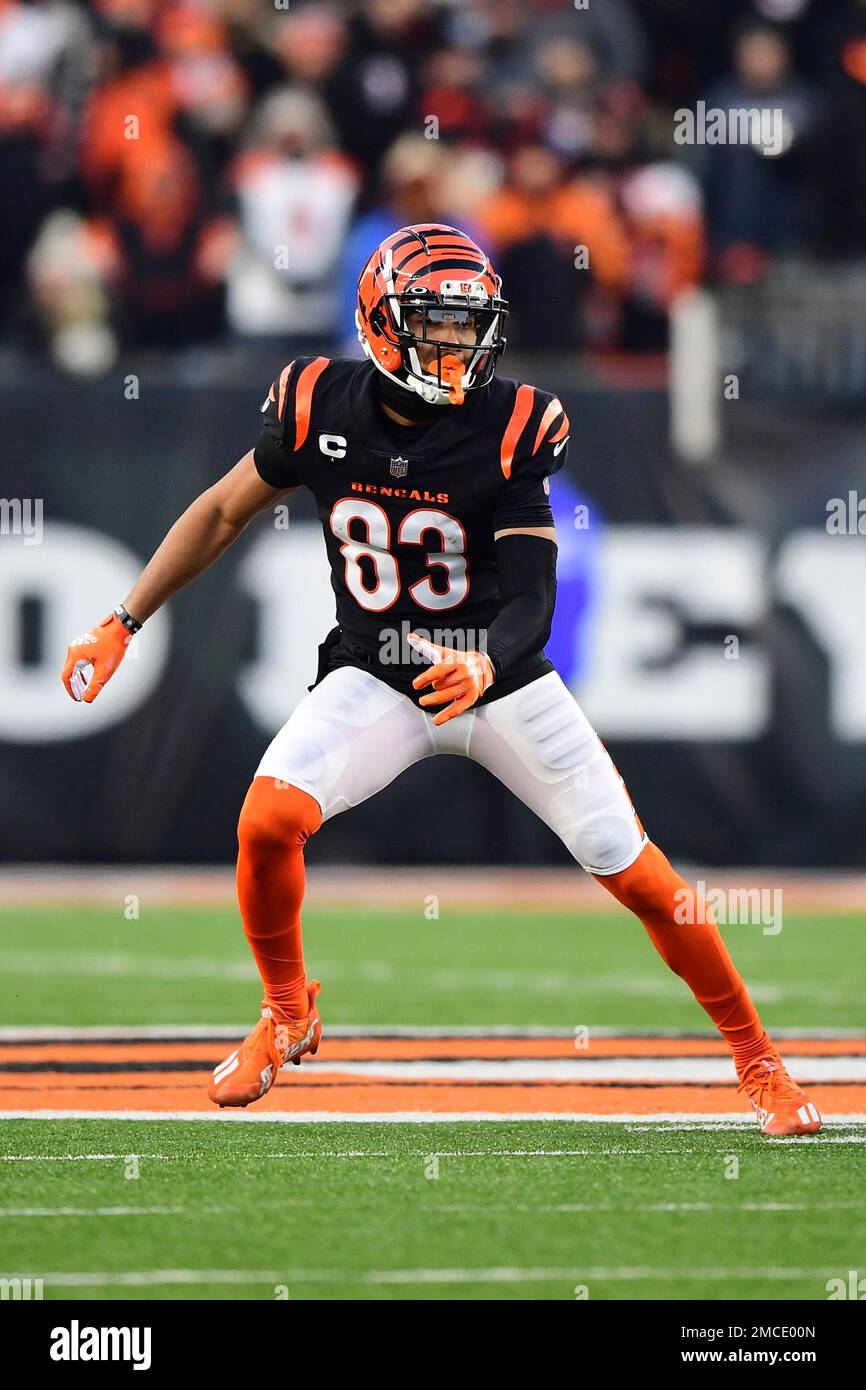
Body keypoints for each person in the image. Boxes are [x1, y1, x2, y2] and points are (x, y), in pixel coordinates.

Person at [61, 223, 821, 1137]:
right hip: (378, 669)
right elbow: (224, 510)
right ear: (382, 323)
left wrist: (485, 656)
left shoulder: (512, 425)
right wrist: (123, 619)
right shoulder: (317, 403)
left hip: (500, 677)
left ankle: (760, 1062)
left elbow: (534, 594)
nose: (458, 344)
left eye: (470, 326)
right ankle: (288, 1010)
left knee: (643, 878)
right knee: (266, 822)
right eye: (438, 324)